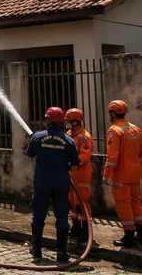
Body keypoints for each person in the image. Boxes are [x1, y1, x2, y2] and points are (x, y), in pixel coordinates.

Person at [26, 107, 79, 262]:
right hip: (61, 183)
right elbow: (75, 165)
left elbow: (29, 154)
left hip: (42, 182)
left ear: (47, 120)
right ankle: (62, 252)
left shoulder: (38, 137)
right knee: (62, 217)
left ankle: (36, 249)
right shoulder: (69, 140)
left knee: (38, 215)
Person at [103, 99, 142, 248]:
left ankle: (129, 237)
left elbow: (112, 158)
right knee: (136, 203)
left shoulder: (114, 131)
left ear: (112, 113)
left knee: (123, 205)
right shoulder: (135, 129)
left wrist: (106, 175)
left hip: (121, 175)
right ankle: (140, 233)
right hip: (135, 173)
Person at [65, 108, 93, 241]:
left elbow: (85, 156)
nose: (67, 124)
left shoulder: (85, 137)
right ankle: (75, 227)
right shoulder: (69, 134)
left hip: (81, 174)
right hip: (71, 174)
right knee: (71, 202)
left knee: (81, 203)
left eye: (68, 121)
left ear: (76, 121)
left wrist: (73, 163)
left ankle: (85, 230)